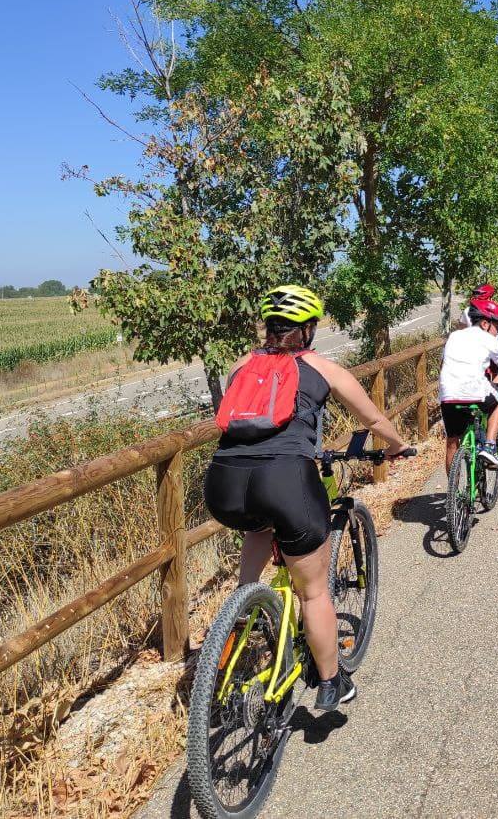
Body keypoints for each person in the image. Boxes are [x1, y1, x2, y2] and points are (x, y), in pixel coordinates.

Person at [204, 285, 411, 712]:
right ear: (309, 328)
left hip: (223, 483)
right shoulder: (321, 368)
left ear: (269, 327)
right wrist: (395, 446)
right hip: (284, 479)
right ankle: (332, 681)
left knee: (258, 524)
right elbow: (371, 418)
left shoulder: (241, 366)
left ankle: (243, 611)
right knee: (314, 592)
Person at [440, 297, 498, 472]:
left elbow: (443, 363)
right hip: (475, 390)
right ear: (485, 323)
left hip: (447, 394)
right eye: (497, 326)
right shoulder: (489, 340)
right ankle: (489, 446)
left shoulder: (454, 336)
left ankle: (454, 496)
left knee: (452, 442)